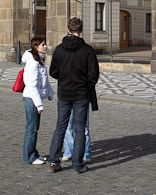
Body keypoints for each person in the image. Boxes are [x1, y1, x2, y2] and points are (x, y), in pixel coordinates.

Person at [46, 17, 99, 174]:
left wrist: (64, 79)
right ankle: (77, 164)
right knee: (80, 128)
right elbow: (94, 75)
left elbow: (53, 71)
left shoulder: (59, 49)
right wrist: (85, 85)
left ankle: (54, 162)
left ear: (68, 30)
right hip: (81, 94)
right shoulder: (88, 50)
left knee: (60, 127)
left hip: (64, 93)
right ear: (81, 31)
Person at [22, 37, 53, 165]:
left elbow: (44, 81)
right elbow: (32, 85)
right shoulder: (33, 63)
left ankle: (34, 154)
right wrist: (39, 105)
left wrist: (50, 93)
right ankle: (29, 157)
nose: (45, 47)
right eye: (43, 45)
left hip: (35, 98)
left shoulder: (39, 60)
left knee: (34, 128)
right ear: (36, 47)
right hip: (31, 98)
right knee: (31, 129)